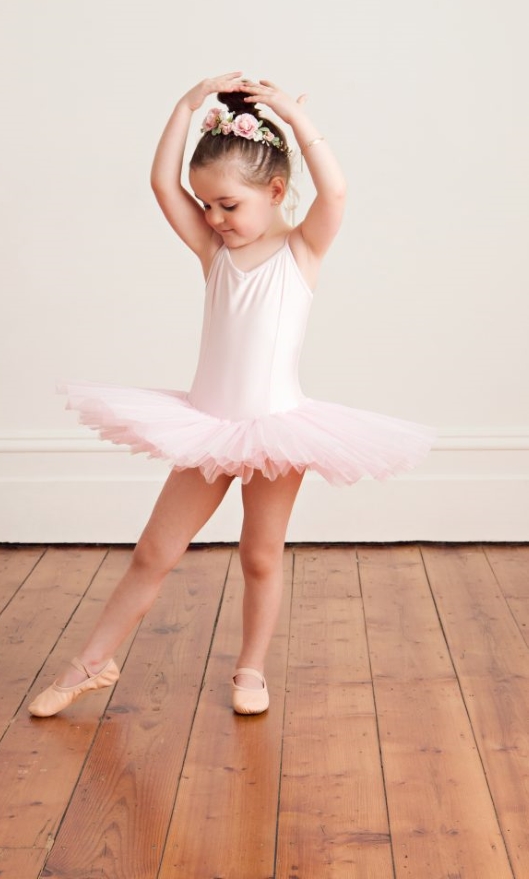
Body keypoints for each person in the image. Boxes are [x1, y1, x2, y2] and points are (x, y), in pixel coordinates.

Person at [28, 72, 435, 719]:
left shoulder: (301, 250)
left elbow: (335, 189)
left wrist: (294, 122)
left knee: (258, 555)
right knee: (153, 551)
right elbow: (163, 185)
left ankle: (249, 668)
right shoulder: (211, 253)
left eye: (228, 206)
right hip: (208, 426)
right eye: (207, 206)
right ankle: (91, 662)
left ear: (274, 193)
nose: (214, 219)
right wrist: (184, 107)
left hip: (276, 426)